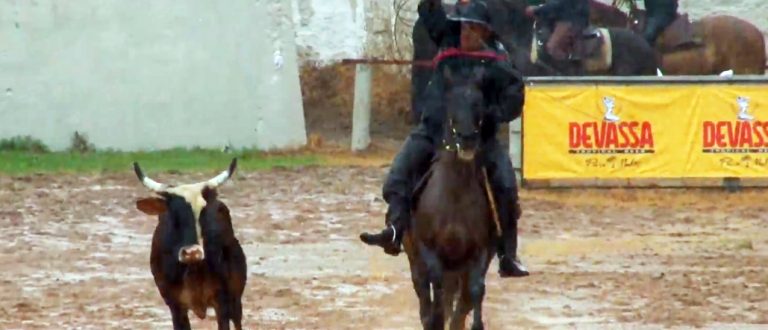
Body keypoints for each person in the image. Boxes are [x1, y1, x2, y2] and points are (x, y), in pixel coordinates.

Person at [359, 0, 529, 278]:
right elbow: (429, 11)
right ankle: (394, 229)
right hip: (433, 131)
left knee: (507, 187)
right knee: (399, 175)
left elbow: (514, 95)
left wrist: (490, 115)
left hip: (479, 139)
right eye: (464, 26)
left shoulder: (498, 61)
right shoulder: (446, 39)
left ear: (485, 32)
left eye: (473, 28)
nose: (466, 32)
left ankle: (507, 254)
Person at [525, 0, 591, 60]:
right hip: (579, 22)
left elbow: (557, 5)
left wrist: (537, 10)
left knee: (551, 47)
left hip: (567, 21)